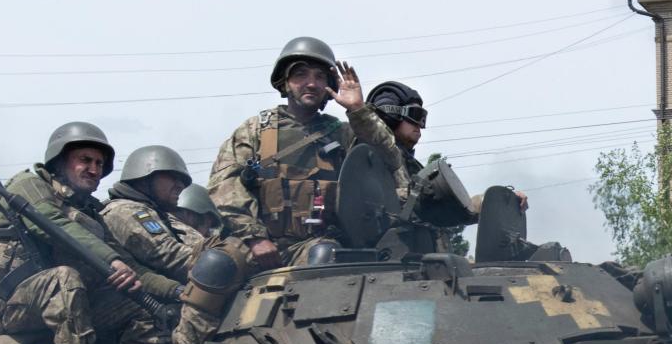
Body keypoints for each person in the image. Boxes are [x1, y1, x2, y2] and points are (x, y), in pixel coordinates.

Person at [0, 122, 181, 344]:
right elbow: (53, 224)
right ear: (59, 161)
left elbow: (131, 267)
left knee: (143, 309)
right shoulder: (28, 186)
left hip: (64, 302)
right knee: (64, 277)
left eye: (99, 163)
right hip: (5, 303)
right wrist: (111, 261)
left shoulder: (90, 212)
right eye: (85, 160)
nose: (94, 169)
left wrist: (179, 291)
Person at [208, 36, 393, 269]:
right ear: (285, 82)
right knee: (214, 266)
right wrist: (255, 237)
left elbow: (390, 161)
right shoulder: (254, 130)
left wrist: (358, 111)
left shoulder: (344, 135)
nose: (311, 83)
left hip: (314, 244)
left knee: (327, 256)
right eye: (300, 74)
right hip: (254, 243)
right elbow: (223, 186)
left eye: (320, 76)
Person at [102, 146, 252, 344]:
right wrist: (224, 262)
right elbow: (173, 258)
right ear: (145, 176)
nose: (179, 186)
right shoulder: (125, 210)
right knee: (221, 259)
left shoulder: (159, 214)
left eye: (183, 181)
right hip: (138, 311)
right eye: (172, 178)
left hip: (164, 298)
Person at [363, 80, 528, 215]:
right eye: (415, 116)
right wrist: (358, 110)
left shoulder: (411, 168)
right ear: (391, 116)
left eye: (423, 119)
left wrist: (499, 201)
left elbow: (456, 211)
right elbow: (385, 199)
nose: (420, 125)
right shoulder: (374, 161)